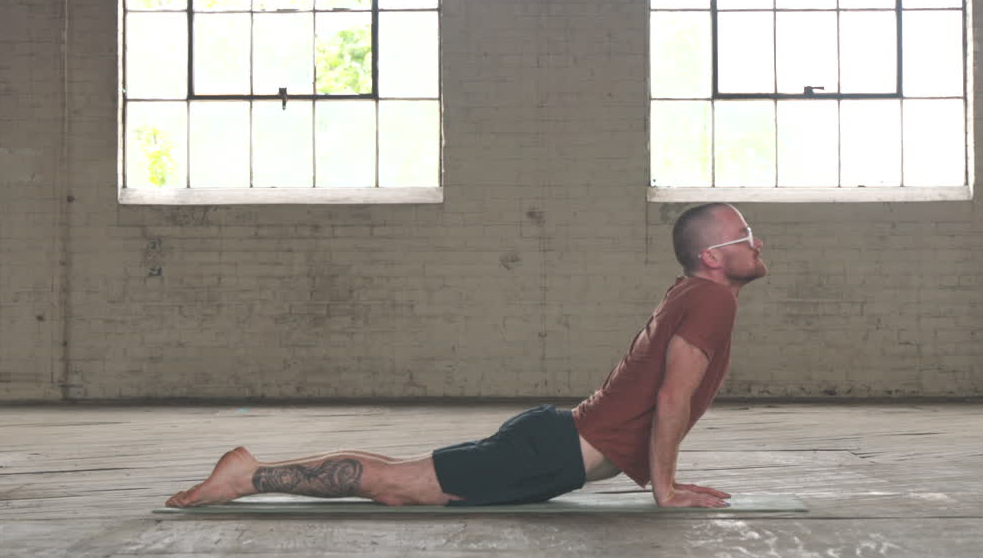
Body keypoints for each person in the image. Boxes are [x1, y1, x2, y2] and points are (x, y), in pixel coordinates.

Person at [166, 203, 766, 509]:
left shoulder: (696, 294)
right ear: (713, 256)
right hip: (553, 451)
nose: (756, 242)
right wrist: (663, 488)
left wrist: (664, 476)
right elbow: (670, 399)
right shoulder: (711, 300)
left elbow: (662, 399)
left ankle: (249, 471)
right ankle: (247, 477)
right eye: (743, 236)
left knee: (401, 480)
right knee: (395, 485)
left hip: (552, 443)